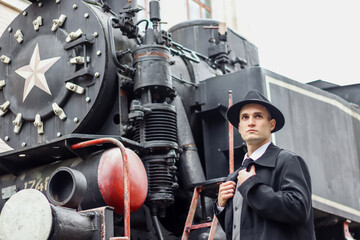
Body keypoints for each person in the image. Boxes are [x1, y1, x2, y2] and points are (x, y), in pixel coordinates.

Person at [214, 90, 315, 240]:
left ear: (271, 124)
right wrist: (221, 206)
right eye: (245, 117)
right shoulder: (234, 178)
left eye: (258, 116)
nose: (251, 122)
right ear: (239, 127)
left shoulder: (288, 161)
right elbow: (237, 231)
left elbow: (298, 209)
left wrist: (251, 186)